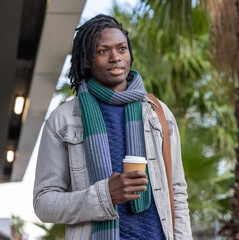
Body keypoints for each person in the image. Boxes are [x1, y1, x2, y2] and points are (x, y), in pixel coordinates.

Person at [33, 14, 192, 240]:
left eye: (122, 49)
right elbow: (43, 203)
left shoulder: (157, 112)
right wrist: (103, 195)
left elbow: (177, 191)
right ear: (87, 61)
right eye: (102, 51)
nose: (115, 57)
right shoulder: (62, 121)